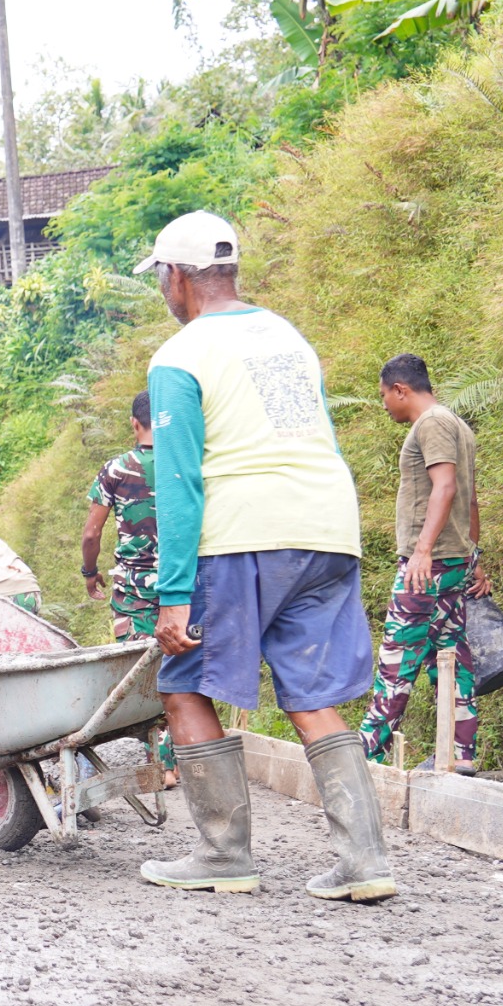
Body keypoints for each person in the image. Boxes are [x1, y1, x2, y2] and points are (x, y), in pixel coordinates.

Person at [135, 211, 393, 902]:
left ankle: (223, 854)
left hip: (244, 532)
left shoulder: (181, 355)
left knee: (183, 683)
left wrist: (174, 593)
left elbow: (180, 480)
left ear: (177, 276)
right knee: (313, 696)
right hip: (328, 526)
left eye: (161, 277)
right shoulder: (287, 336)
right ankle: (364, 861)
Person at [358, 353, 484, 772]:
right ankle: (459, 755)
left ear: (401, 389)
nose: (384, 405)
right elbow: (471, 498)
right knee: (450, 654)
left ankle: (365, 756)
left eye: (384, 396)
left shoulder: (431, 423)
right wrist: (474, 556)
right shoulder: (457, 425)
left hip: (427, 567)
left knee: (398, 656)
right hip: (452, 561)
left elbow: (446, 488)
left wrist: (423, 550)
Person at [83, 391, 174, 777]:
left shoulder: (116, 469)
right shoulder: (185, 464)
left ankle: (159, 762)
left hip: (134, 589)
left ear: (135, 423)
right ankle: (175, 761)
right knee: (179, 667)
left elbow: (92, 533)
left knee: (139, 672)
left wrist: (90, 572)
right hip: (182, 584)